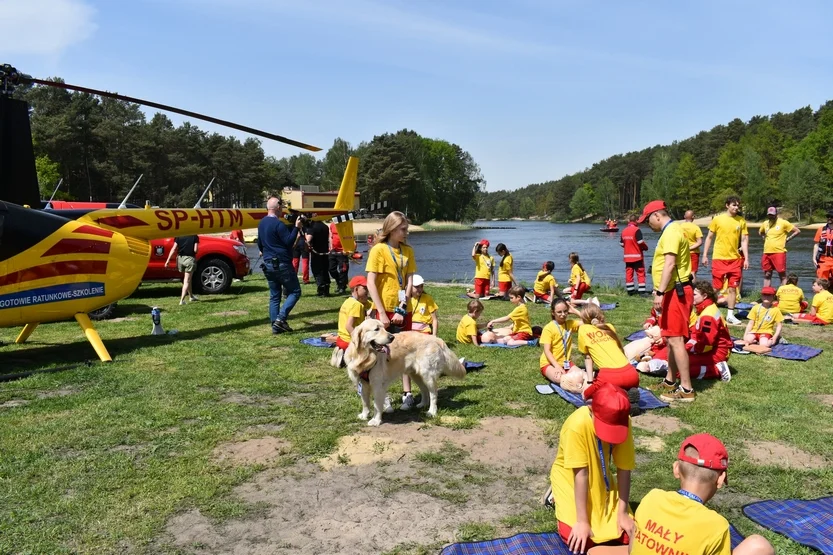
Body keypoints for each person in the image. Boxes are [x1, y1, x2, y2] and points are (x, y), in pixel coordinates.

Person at [597, 434, 774, 555]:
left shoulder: (652, 498)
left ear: (676, 469)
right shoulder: (716, 526)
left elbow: (632, 549)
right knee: (759, 545)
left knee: (594, 551)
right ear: (720, 479)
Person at [548, 382, 635, 551]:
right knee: (579, 539)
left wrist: (623, 513)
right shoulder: (576, 425)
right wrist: (582, 521)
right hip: (572, 478)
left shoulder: (624, 422)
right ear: (591, 409)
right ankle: (554, 495)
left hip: (601, 479)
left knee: (629, 533)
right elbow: (581, 475)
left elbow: (624, 468)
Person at [638, 199, 695, 403]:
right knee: (670, 339)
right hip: (673, 291)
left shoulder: (671, 232)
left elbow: (670, 264)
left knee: (676, 340)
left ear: (657, 215)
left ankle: (686, 389)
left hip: (675, 292)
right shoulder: (673, 230)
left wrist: (660, 292)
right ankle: (670, 380)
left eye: (648, 221)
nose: (648, 225)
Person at [366, 211, 417, 409]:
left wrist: (401, 309)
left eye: (407, 229)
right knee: (382, 354)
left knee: (404, 351)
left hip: (403, 310)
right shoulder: (378, 250)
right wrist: (383, 313)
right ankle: (382, 394)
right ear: (392, 229)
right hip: (383, 310)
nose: (406, 233)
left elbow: (410, 279)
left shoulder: (408, 251)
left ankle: (407, 393)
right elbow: (371, 283)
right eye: (403, 229)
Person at [641, 281, 733, 382]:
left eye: (694, 295)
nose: (691, 297)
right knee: (679, 360)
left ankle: (717, 370)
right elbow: (697, 337)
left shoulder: (707, 316)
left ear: (705, 296)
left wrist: (689, 350)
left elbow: (706, 343)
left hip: (717, 352)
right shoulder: (705, 309)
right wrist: (687, 348)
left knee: (681, 370)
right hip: (709, 349)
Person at [256, 197, 304, 334]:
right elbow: (289, 241)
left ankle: (275, 326)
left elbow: (260, 243)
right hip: (282, 263)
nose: (282, 209)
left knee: (274, 295)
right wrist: (297, 228)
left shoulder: (262, 223)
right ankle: (280, 319)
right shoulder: (279, 224)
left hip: (268, 263)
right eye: (281, 206)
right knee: (295, 291)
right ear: (277, 207)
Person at [702, 196, 749, 325]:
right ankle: (706, 309)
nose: (736, 208)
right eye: (734, 205)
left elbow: (744, 240)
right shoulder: (717, 219)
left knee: (733, 288)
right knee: (716, 287)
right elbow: (709, 237)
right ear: (727, 205)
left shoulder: (741, 221)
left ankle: (730, 315)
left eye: (738, 205)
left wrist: (746, 259)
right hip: (719, 258)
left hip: (735, 259)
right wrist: (705, 255)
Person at [577, 304, 640, 394]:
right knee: (620, 390)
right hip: (632, 374)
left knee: (586, 395)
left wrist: (590, 382)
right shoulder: (609, 327)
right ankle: (626, 392)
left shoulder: (583, 329)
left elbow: (588, 357)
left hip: (609, 377)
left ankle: (619, 394)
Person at [540, 298, 582, 384]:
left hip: (566, 362)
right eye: (559, 312)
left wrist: (575, 311)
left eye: (565, 311)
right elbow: (547, 351)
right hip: (549, 364)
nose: (563, 314)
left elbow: (590, 322)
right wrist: (557, 366)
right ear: (553, 312)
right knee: (561, 379)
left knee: (582, 376)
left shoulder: (570, 324)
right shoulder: (548, 328)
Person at [759, 206, 800, 288]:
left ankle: (783, 293)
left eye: (773, 215)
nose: (771, 216)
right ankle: (767, 293)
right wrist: (764, 238)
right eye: (769, 215)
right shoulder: (765, 223)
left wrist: (788, 239)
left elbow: (797, 231)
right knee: (767, 274)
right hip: (767, 251)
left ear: (776, 214)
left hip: (779, 252)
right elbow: (760, 232)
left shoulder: (783, 223)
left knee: (782, 274)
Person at [335, 275, 372, 351]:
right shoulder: (356, 305)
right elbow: (348, 326)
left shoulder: (349, 301)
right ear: (356, 289)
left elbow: (373, 304)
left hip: (341, 339)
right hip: (349, 341)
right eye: (365, 288)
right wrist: (358, 341)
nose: (367, 291)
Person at [164, 234, 200, 305]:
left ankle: (191, 296)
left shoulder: (179, 236)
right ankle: (182, 300)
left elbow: (174, 248)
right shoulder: (194, 236)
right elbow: (195, 250)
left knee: (188, 278)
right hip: (189, 259)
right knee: (187, 280)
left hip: (180, 259)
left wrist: (168, 260)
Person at [619, 214, 649, 295]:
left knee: (629, 272)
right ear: (636, 221)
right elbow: (640, 242)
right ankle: (642, 291)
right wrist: (646, 247)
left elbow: (621, 244)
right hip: (637, 256)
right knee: (640, 273)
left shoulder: (624, 230)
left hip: (627, 256)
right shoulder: (637, 230)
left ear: (629, 221)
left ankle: (630, 290)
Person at [305, 219, 331, 297]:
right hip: (325, 252)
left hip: (316, 253)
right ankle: (326, 289)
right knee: (325, 271)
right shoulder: (325, 226)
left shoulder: (312, 227)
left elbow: (308, 240)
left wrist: (306, 246)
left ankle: (321, 290)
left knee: (317, 271)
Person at [679, 210, 704, 280]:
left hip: (682, 252)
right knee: (693, 272)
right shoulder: (696, 227)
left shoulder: (679, 227)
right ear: (693, 217)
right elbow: (700, 242)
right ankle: (693, 289)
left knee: (683, 271)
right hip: (693, 252)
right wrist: (689, 248)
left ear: (684, 216)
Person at [328, 222, 350, 295]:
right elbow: (331, 236)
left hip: (342, 251)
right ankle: (339, 282)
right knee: (331, 269)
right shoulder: (332, 224)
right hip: (333, 250)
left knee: (343, 270)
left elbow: (350, 237)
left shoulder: (345, 224)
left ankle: (342, 287)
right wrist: (331, 247)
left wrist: (347, 248)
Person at [813, 210, 833, 280]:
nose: (829, 218)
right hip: (823, 260)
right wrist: (814, 258)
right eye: (828, 216)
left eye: (831, 217)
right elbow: (816, 245)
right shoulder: (820, 229)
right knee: (821, 281)